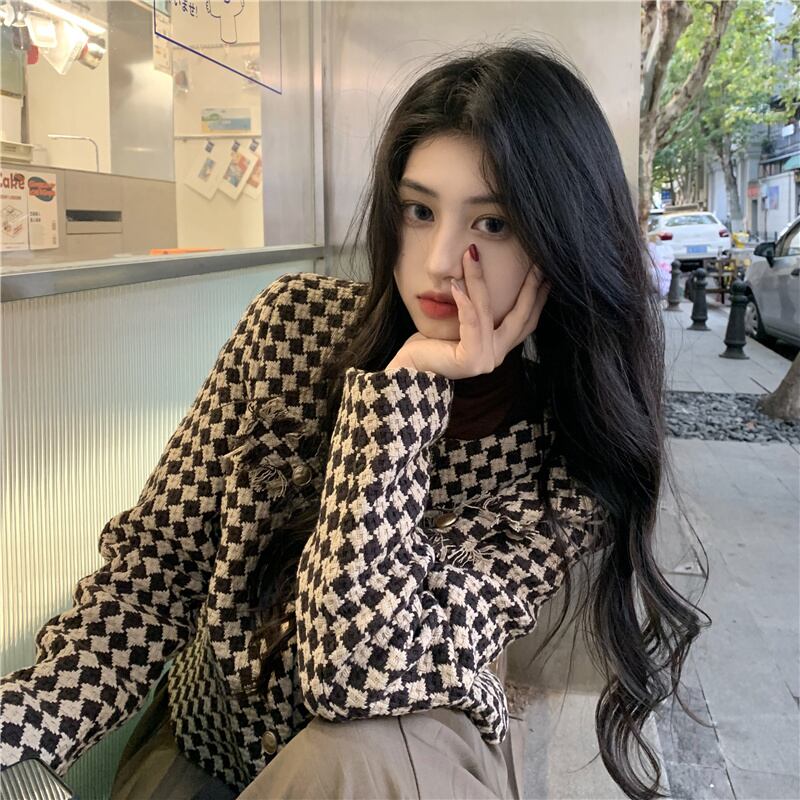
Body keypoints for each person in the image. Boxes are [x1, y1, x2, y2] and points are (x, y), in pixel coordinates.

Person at [0, 41, 706, 800]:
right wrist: (23, 728)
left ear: (560, 240)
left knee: (353, 751)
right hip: (214, 743)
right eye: (419, 210)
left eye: (494, 223)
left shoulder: (563, 464)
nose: (441, 259)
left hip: (399, 766)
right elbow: (157, 571)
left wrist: (402, 399)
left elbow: (355, 670)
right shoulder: (292, 327)